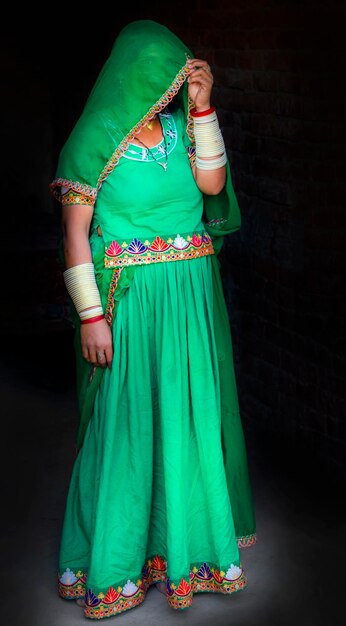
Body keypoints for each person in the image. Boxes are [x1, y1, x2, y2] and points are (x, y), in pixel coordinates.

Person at [50, 19, 256, 620]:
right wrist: (92, 317)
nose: (170, 85)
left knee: (190, 415)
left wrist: (203, 107)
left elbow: (212, 184)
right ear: (132, 74)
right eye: (163, 75)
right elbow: (75, 237)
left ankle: (190, 556)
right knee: (130, 424)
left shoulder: (181, 130)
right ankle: (115, 567)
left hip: (191, 299)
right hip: (132, 303)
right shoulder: (91, 142)